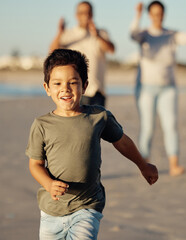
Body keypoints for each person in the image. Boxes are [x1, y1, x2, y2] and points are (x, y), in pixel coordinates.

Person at [26, 49, 158, 239]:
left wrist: (143, 165)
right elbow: (35, 165)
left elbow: (122, 142)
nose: (65, 89)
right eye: (57, 83)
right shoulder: (42, 125)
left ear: (85, 85)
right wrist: (48, 184)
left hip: (87, 205)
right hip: (51, 211)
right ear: (47, 88)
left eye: (73, 83)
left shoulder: (98, 117)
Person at [130, 1, 186, 176]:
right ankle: (144, 165)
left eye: (159, 13)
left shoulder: (171, 34)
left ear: (163, 14)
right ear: (149, 15)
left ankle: (174, 165)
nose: (156, 16)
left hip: (168, 88)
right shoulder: (144, 34)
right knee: (147, 126)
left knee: (170, 125)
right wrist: (136, 16)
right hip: (145, 88)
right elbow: (132, 35)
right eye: (153, 13)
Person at [49, 1, 115, 107]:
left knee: (98, 123)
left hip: (97, 91)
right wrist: (59, 33)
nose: (85, 15)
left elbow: (111, 50)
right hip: (75, 92)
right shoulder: (69, 34)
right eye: (82, 13)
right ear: (76, 15)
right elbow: (52, 52)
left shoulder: (101, 33)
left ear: (92, 14)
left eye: (88, 12)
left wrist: (97, 35)